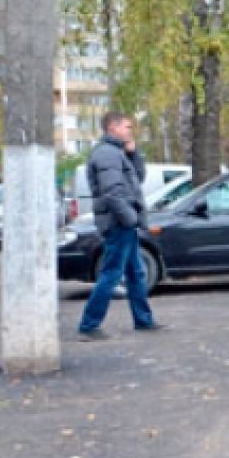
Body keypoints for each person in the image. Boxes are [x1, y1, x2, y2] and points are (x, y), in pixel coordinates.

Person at [77, 112, 165, 341]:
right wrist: (130, 219)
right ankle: (89, 325)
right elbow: (112, 193)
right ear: (113, 128)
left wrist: (134, 153)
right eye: (127, 127)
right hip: (118, 224)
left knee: (136, 273)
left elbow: (138, 178)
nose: (130, 131)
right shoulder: (107, 155)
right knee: (111, 274)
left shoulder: (118, 153)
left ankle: (143, 320)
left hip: (123, 223)